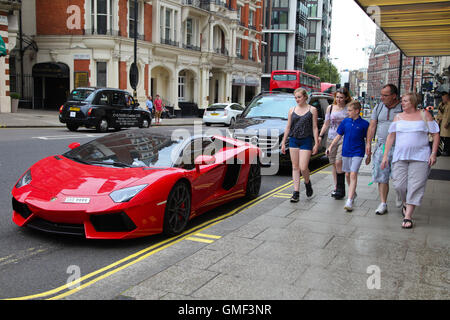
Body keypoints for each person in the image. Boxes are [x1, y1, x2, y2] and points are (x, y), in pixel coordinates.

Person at [381, 92, 440, 229]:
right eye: (402, 101)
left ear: (413, 102)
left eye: (405, 101)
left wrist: (433, 153)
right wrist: (385, 156)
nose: (402, 103)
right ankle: (405, 203)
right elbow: (391, 137)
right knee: (399, 185)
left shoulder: (425, 115)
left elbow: (435, 134)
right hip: (400, 156)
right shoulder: (398, 117)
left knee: (415, 186)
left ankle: (408, 216)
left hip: (420, 157)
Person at [366, 84, 403, 215]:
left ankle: (401, 196)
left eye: (385, 95)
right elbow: (372, 126)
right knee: (381, 176)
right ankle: (383, 203)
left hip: (400, 147)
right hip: (381, 147)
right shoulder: (379, 107)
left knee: (400, 178)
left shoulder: (402, 108)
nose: (382, 98)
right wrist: (369, 144)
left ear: (394, 96)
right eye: (381, 95)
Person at [326, 101, 370, 212]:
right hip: (346, 151)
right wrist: (331, 147)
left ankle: (349, 201)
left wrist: (369, 155)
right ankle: (353, 192)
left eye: (350, 110)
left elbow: (368, 140)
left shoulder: (365, 124)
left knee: (353, 174)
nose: (348, 112)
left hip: (358, 152)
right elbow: (338, 136)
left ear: (357, 111)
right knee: (347, 174)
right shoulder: (345, 122)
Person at [281, 88, 319, 202]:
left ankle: (307, 182)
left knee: (303, 167)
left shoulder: (312, 110)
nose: (297, 99)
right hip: (293, 140)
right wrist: (283, 142)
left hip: (306, 140)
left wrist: (316, 143)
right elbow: (288, 127)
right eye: (296, 97)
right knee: (295, 167)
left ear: (305, 97)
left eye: (299, 97)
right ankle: (296, 192)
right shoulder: (292, 110)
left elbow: (315, 127)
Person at [318, 87, 352, 199]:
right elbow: (326, 123)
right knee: (333, 164)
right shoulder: (330, 108)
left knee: (338, 163)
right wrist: (320, 135)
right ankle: (337, 187)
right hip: (331, 138)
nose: (339, 99)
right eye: (337, 97)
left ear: (346, 97)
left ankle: (341, 189)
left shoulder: (349, 108)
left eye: (341, 97)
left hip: (344, 138)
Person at [436, 92, 450, 156]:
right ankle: (443, 149)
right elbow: (440, 113)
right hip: (442, 122)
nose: (443, 99)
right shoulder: (443, 104)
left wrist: (447, 123)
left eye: (444, 98)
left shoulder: (449, 105)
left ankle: (447, 150)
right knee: (442, 137)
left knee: (447, 138)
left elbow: (448, 115)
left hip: (446, 123)